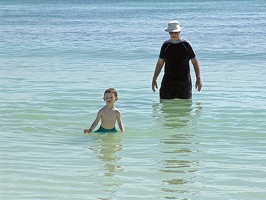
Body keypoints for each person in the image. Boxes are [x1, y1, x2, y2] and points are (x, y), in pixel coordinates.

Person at [152, 21, 202, 99]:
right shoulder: (165, 45)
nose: (173, 35)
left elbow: (195, 62)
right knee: (165, 107)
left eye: (175, 32)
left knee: (185, 107)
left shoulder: (186, 45)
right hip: (168, 81)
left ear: (179, 32)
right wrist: (154, 78)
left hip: (184, 81)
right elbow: (160, 63)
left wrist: (198, 79)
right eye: (171, 33)